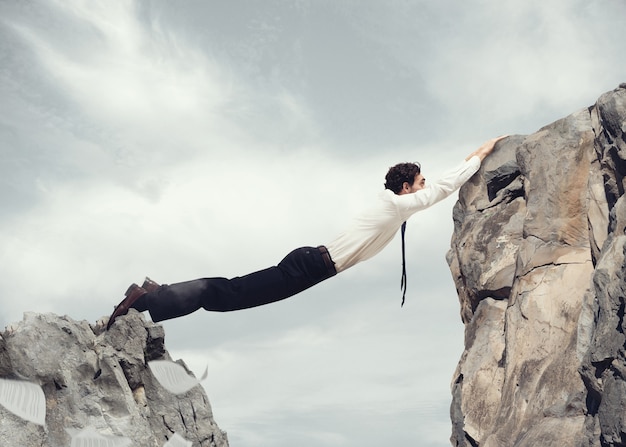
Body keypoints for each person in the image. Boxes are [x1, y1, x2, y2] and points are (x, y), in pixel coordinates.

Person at [106, 136, 507, 330]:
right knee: (230, 295)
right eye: (419, 182)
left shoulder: (393, 208)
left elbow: (432, 190)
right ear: (405, 188)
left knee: (234, 293)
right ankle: (148, 300)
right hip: (311, 266)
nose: (424, 186)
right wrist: (479, 154)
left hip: (312, 264)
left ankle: (154, 294)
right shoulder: (395, 204)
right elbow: (441, 189)